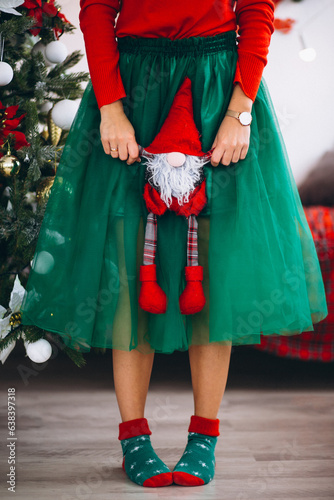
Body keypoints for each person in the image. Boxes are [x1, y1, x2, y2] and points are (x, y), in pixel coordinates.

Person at [20, 0, 328, 488]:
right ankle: (133, 438)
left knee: (211, 266)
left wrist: (241, 111)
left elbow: (256, 10)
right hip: (132, 90)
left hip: (217, 90)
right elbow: (98, 9)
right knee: (128, 267)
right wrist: (110, 107)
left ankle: (204, 437)